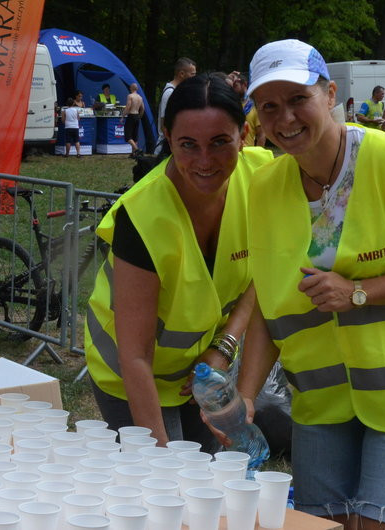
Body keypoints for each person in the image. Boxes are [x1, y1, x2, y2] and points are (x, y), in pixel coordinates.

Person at [223, 39, 385, 530]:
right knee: (322, 525)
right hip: (323, 397)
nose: (285, 118)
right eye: (268, 106)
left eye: (298, 99)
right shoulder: (264, 188)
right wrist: (247, 395)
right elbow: (269, 306)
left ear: (330, 94)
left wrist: (359, 292)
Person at [85, 73, 274, 451]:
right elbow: (135, 357)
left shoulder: (262, 179)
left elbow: (264, 275)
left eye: (219, 142)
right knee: (163, 476)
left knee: (209, 469)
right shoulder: (143, 217)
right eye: (188, 145)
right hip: (131, 374)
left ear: (243, 135)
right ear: (168, 138)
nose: (205, 161)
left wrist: (224, 346)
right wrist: (159, 465)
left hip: (200, 369)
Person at [153, 57, 197, 154]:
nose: (194, 77)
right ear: (182, 74)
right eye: (192, 74)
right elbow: (164, 123)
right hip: (167, 149)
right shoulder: (170, 93)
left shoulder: (178, 92)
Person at [229, 72, 266, 147]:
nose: (233, 89)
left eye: (235, 85)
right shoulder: (229, 106)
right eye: (231, 87)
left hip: (248, 151)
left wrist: (257, 152)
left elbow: (261, 135)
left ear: (244, 84)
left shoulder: (254, 106)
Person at [122, 83, 145, 158]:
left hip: (131, 115)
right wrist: (140, 116)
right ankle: (133, 154)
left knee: (128, 136)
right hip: (137, 116)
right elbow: (143, 108)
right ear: (137, 89)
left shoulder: (130, 96)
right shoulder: (140, 97)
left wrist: (123, 116)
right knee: (135, 136)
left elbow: (128, 107)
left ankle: (137, 150)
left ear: (131, 88)